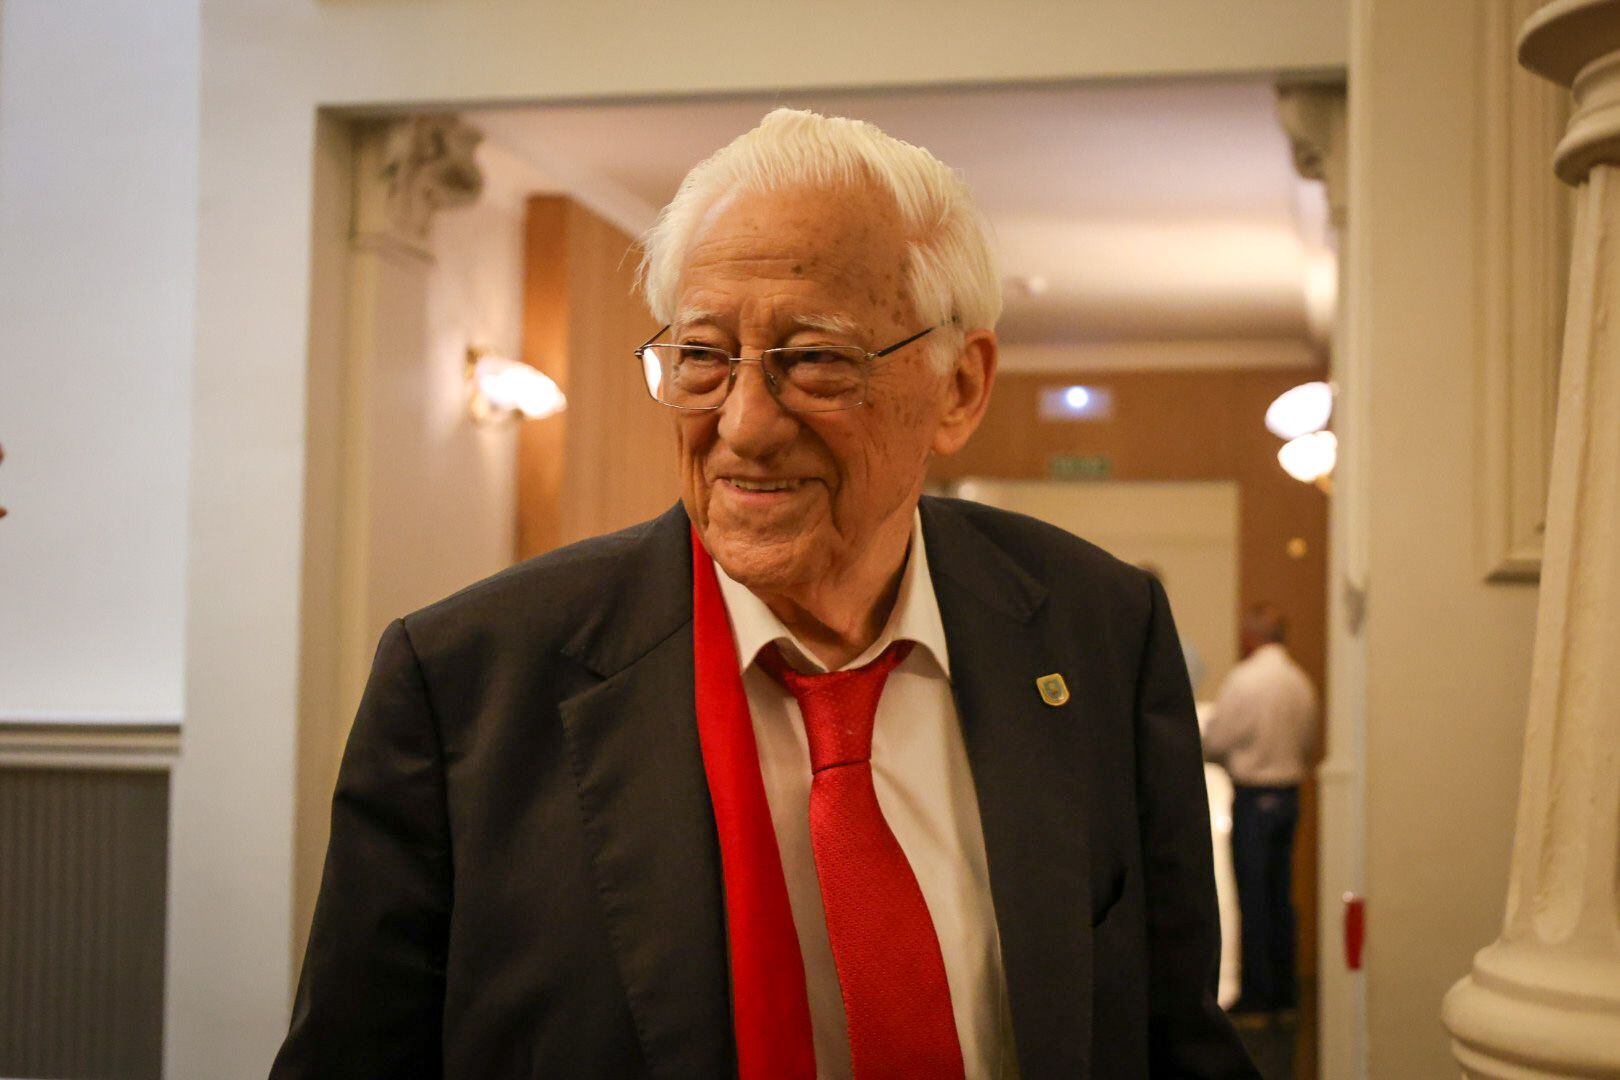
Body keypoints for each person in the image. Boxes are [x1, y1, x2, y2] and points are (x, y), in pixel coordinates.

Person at [271, 109, 1255, 1079]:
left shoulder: (1096, 631)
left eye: (815, 360)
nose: (743, 426)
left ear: (959, 386)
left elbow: (1174, 1038)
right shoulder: (467, 688)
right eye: (702, 357)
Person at [1202, 603, 1319, 1023]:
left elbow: (1217, 740)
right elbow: (1308, 740)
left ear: (1250, 636)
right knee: (1280, 897)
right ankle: (1284, 991)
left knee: (1253, 896)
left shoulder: (1246, 680)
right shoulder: (1299, 681)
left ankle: (1256, 994)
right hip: (1288, 796)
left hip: (1253, 798)